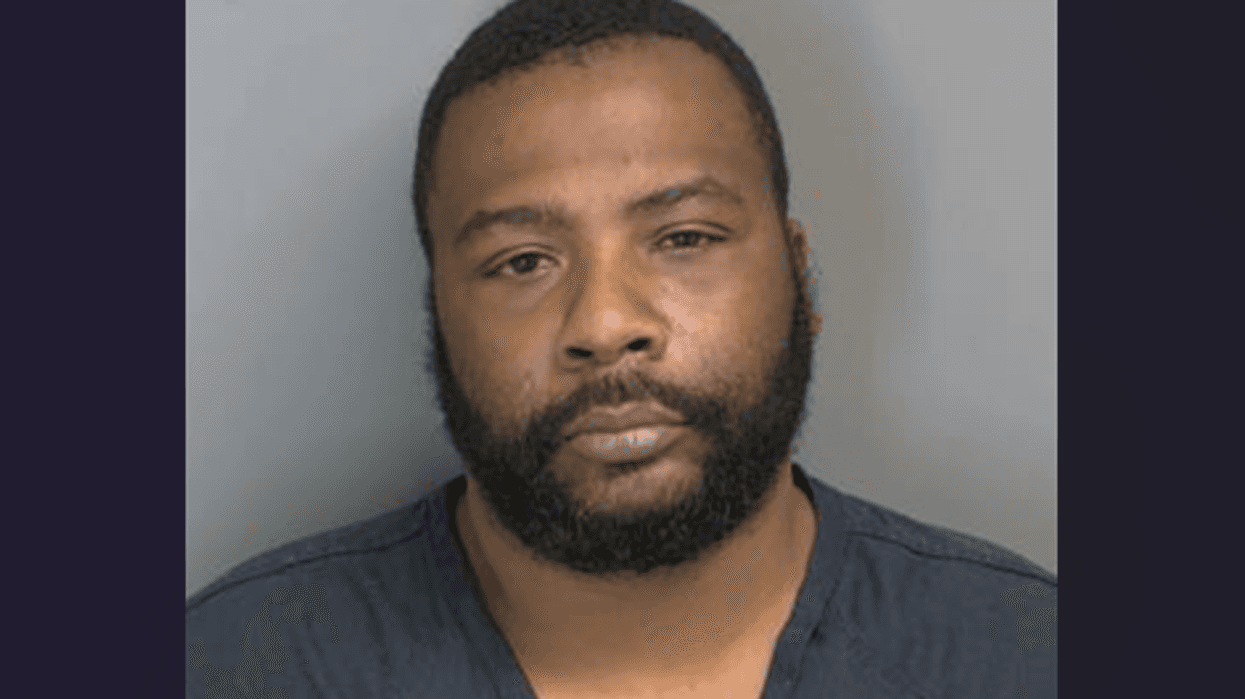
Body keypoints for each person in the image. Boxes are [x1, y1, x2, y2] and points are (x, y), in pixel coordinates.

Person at [185, 1, 1056, 697]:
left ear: (800, 275)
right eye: (521, 261)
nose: (604, 323)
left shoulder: (1025, 656)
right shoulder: (237, 666)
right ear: (437, 316)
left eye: (684, 238)